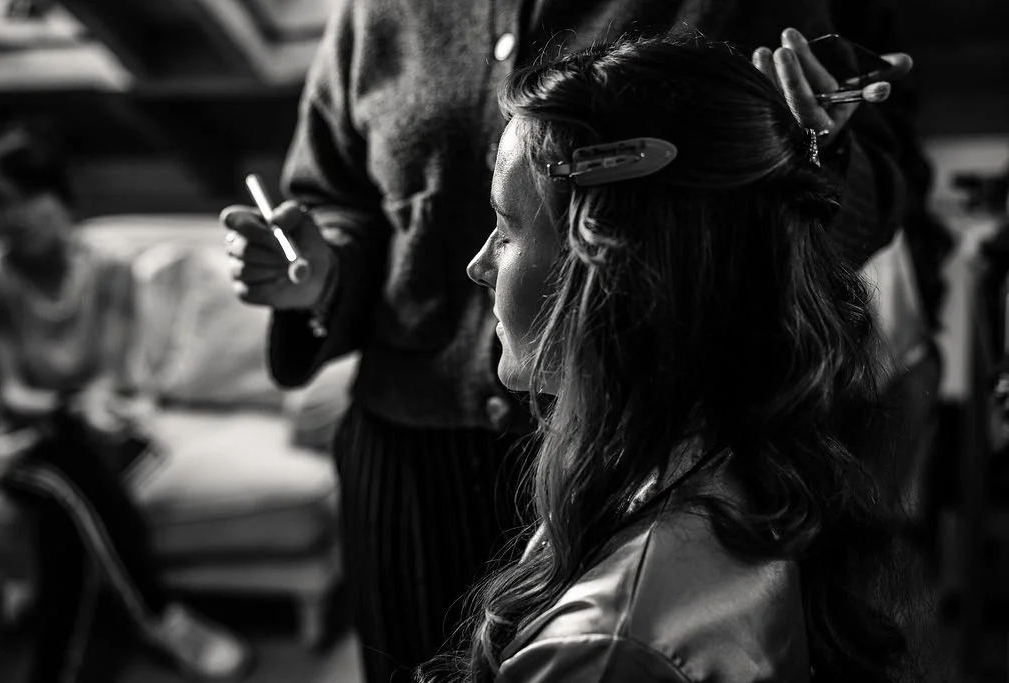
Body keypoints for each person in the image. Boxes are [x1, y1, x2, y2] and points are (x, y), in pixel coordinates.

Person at [221, 3, 916, 681]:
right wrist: (319, 274)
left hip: (620, 441)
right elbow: (337, 198)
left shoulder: (637, 622)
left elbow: (786, 214)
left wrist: (815, 150)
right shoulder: (374, 15)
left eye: (507, 226)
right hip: (422, 457)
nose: (477, 262)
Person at [416, 33, 910, 682]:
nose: (479, 266)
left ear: (612, 265)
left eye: (506, 229)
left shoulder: (609, 648)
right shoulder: (726, 472)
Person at [0, 123, 252, 683]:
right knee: (67, 471)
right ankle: (160, 617)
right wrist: (69, 409)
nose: (19, 218)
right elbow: (12, 397)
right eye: (3, 207)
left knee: (69, 496)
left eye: (28, 199)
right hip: (30, 444)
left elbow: (115, 377)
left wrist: (93, 407)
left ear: (58, 196)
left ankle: (58, 668)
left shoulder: (108, 270)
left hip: (104, 431)